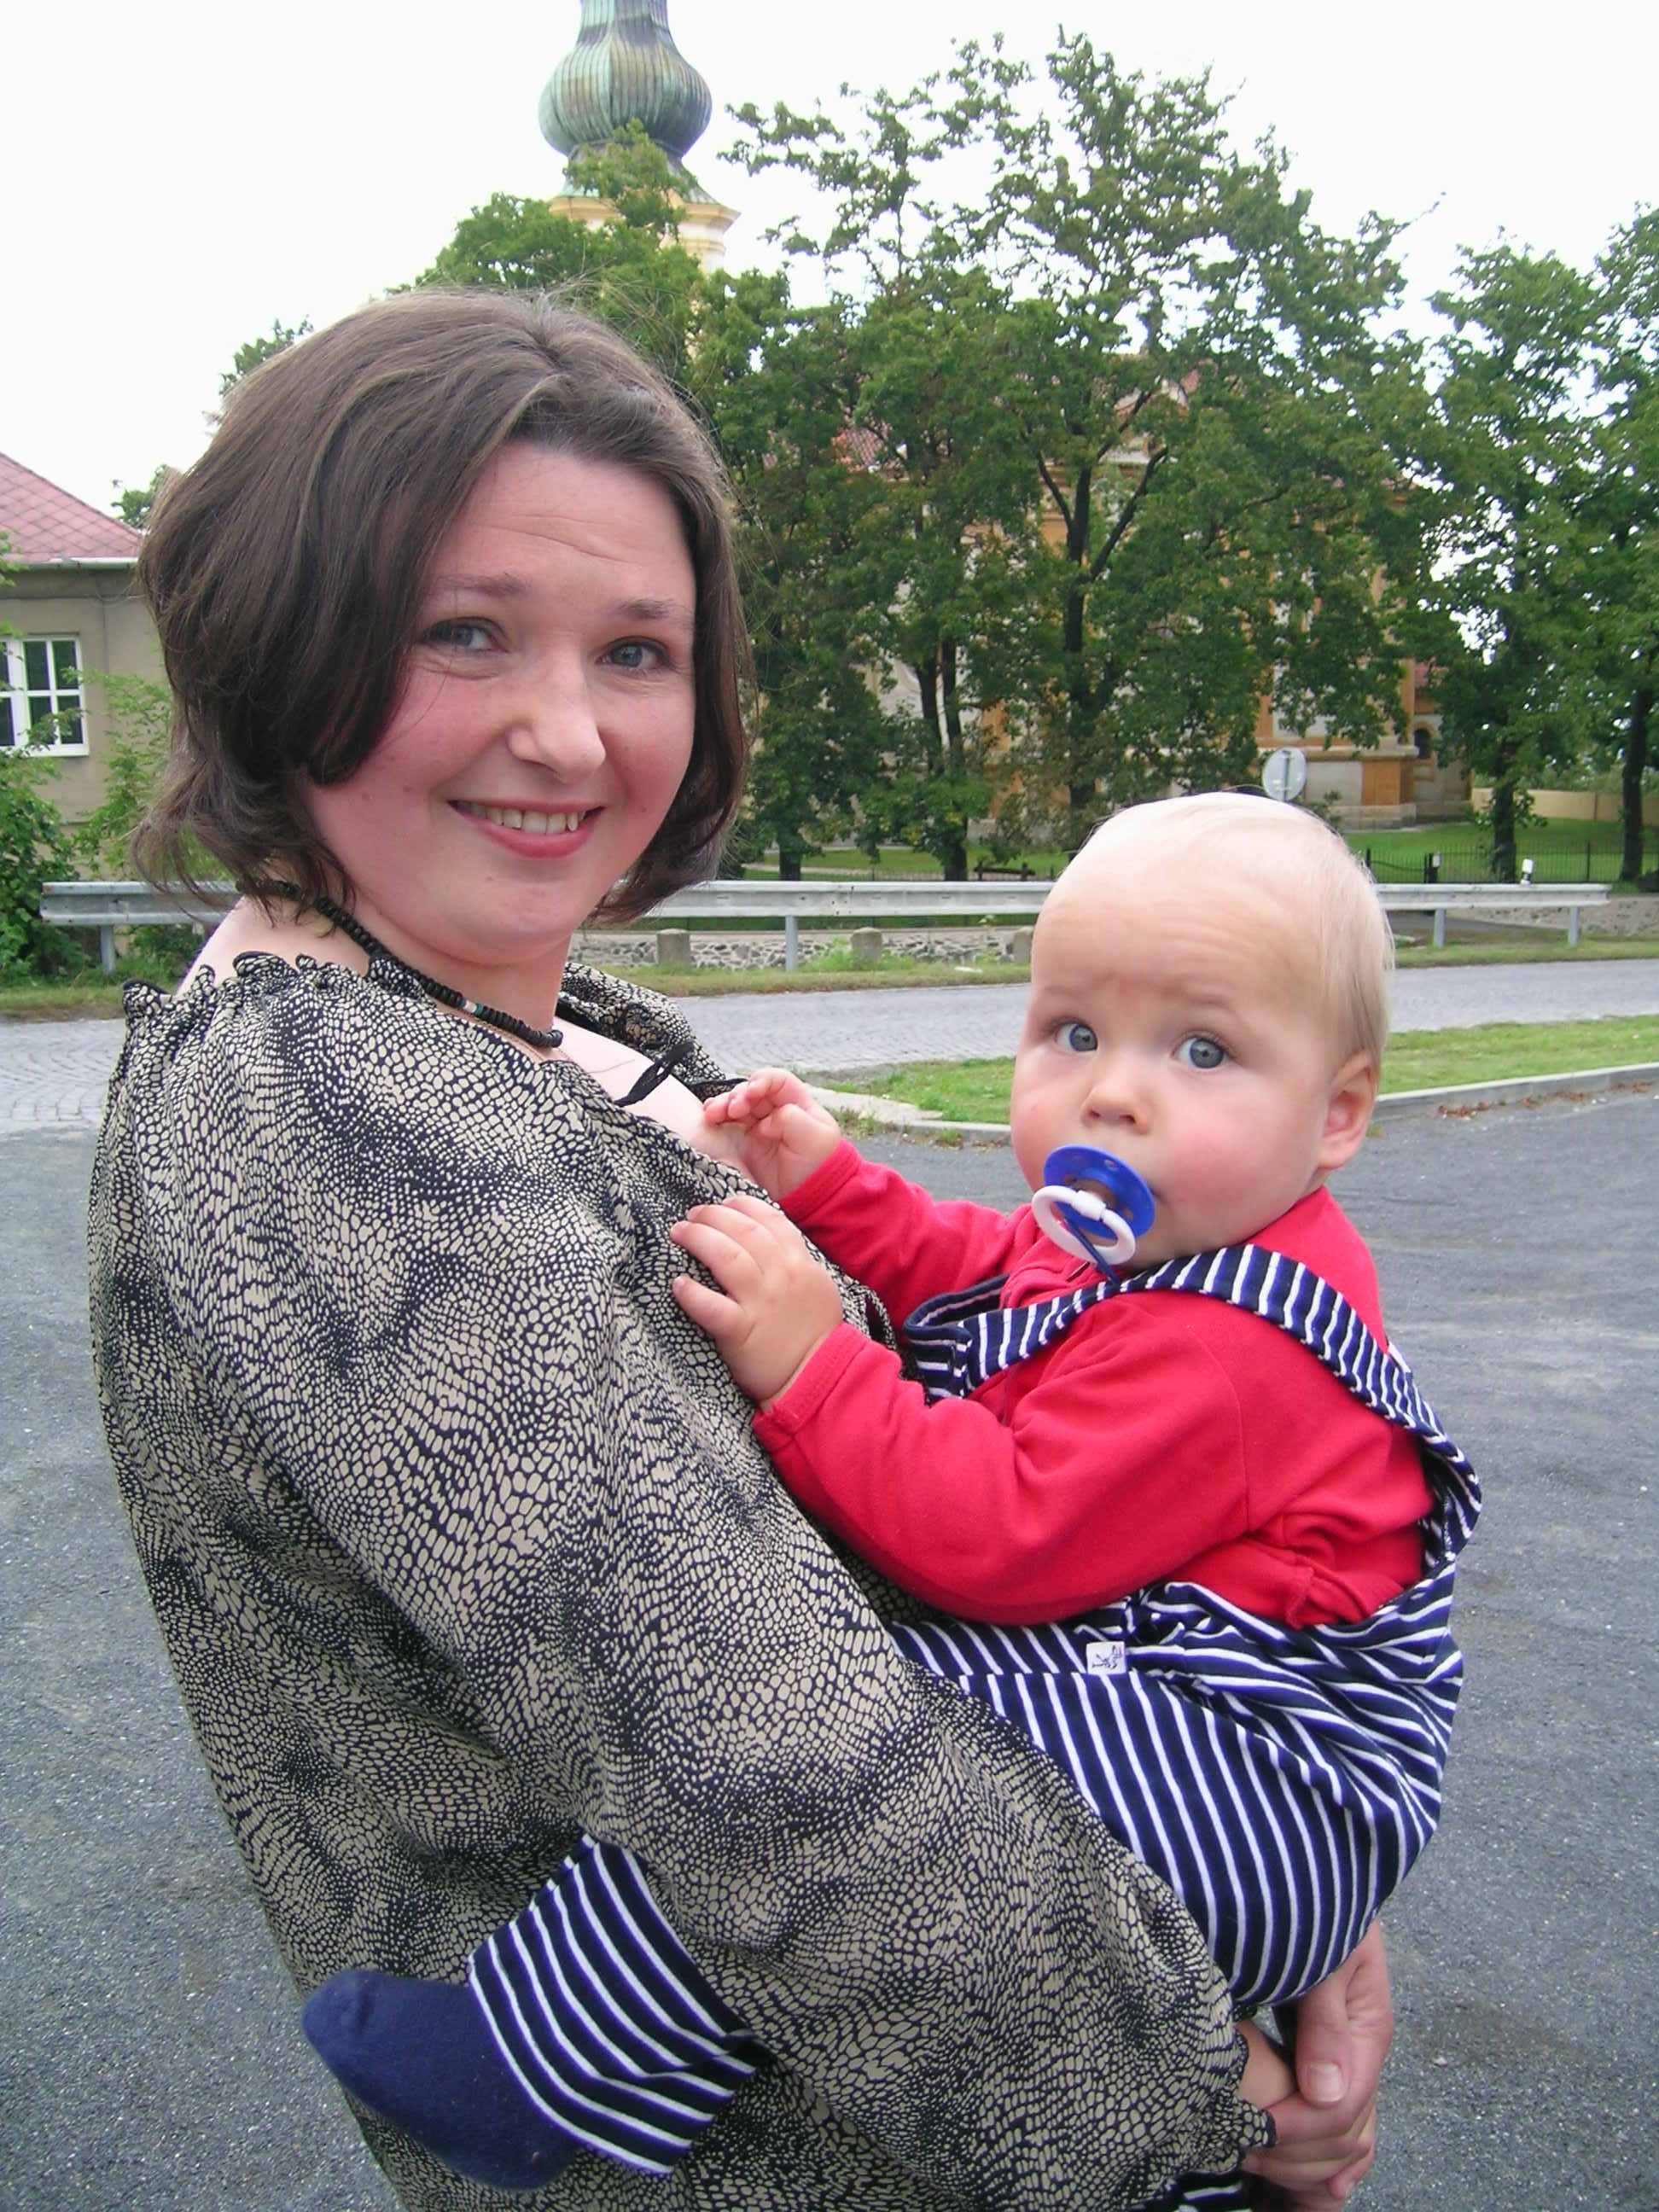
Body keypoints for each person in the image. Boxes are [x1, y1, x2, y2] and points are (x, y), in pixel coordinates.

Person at [89, 288, 1391, 2212]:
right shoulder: (328, 1110)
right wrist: (1225, 2108)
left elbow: (1072, 1473)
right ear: (291, 637)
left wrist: (1290, 1871)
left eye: (638, 649)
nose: (568, 731)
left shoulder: (556, 1028)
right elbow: (784, 1785)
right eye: (466, 631)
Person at [307, 795, 1471, 2209]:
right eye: (1073, 1033)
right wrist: (839, 1190)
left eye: (1203, 1051)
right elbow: (988, 1268)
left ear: (1338, 1113)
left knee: (839, 1760)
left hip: (1260, 1780)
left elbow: (996, 1534)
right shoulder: (1155, 1239)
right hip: (1197, 1739)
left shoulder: (1235, 1351)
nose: (1112, 1095)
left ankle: (545, 2061)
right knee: (844, 1761)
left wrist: (818, 1363)